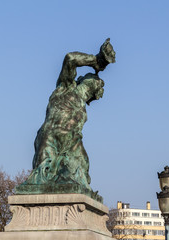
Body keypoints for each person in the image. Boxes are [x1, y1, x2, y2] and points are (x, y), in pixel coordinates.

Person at [23, 39, 115, 190]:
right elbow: (70, 58)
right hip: (50, 137)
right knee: (40, 181)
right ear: (83, 82)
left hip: (72, 142)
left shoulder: (82, 106)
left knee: (82, 173)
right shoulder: (66, 87)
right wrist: (95, 60)